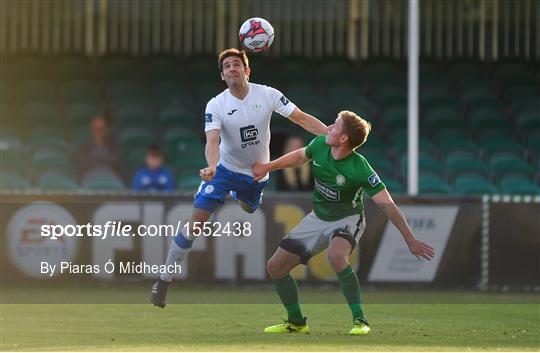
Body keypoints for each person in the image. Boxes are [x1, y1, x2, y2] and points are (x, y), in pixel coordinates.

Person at [150, 48, 328, 307]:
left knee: (248, 208)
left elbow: (300, 118)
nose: (232, 68)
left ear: (247, 70)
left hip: (256, 174)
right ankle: (164, 281)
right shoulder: (216, 104)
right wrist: (211, 167)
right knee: (195, 223)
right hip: (223, 170)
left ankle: (240, 196)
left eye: (237, 64)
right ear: (222, 75)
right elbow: (213, 141)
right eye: (227, 66)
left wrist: (329, 135)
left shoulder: (267, 94)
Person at [252, 110, 435, 335]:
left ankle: (360, 321)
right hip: (318, 217)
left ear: (344, 139)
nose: (329, 126)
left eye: (336, 125)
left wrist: (410, 239)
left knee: (336, 256)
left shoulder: (360, 167)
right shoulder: (320, 144)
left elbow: (387, 204)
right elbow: (299, 157)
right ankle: (296, 322)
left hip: (348, 218)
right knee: (275, 267)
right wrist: (267, 167)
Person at [74, 115, 122, 181]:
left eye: (102, 128)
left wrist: (95, 158)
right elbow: (83, 163)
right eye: (96, 128)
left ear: (106, 130)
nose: (99, 131)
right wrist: (105, 158)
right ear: (92, 130)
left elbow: (115, 161)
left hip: (110, 176)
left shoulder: (114, 146)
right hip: (89, 176)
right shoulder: (83, 147)